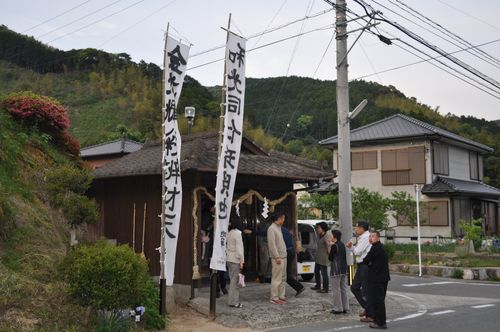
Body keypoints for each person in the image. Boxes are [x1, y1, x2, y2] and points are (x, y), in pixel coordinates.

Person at [362, 231, 390, 329]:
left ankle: (381, 323)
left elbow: (365, 260)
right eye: (370, 236)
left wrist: (369, 263)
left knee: (377, 300)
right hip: (383, 277)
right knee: (380, 300)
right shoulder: (380, 247)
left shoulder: (375, 248)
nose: (371, 238)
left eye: (373, 236)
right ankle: (378, 320)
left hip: (377, 278)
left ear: (378, 238)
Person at [346, 220, 373, 321]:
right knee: (364, 289)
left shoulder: (366, 237)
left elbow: (357, 251)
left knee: (355, 287)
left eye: (356, 227)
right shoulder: (363, 237)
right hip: (363, 265)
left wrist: (351, 247)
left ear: (362, 228)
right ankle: (368, 309)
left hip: (365, 266)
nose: (355, 229)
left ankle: (370, 310)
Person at [267, 211, 288, 304]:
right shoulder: (271, 228)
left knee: (283, 277)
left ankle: (281, 295)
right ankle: (274, 297)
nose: (284, 220)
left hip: (283, 256)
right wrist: (276, 256)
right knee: (277, 278)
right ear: (278, 218)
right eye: (283, 218)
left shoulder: (278, 227)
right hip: (278, 257)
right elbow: (272, 245)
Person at [328, 229, 349, 314]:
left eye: (331, 235)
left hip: (336, 270)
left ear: (334, 237)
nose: (330, 237)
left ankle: (338, 308)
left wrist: (330, 246)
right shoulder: (342, 244)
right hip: (344, 270)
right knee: (343, 288)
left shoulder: (334, 246)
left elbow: (330, 258)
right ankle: (345, 307)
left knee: (336, 289)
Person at [282, 226, 305, 297]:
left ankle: (299, 287)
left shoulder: (280, 230)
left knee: (284, 273)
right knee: (286, 273)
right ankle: (299, 287)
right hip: (291, 251)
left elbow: (265, 233)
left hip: (288, 252)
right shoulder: (286, 230)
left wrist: (253, 232)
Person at [226, 219, 245, 308]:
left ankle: (231, 300)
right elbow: (239, 248)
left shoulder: (229, 233)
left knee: (232, 280)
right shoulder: (238, 234)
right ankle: (234, 302)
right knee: (235, 282)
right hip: (235, 259)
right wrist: (241, 261)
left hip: (229, 258)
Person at [311, 222, 330, 293]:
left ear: (323, 228)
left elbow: (328, 247)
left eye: (318, 228)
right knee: (316, 272)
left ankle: (325, 288)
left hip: (323, 258)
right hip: (318, 257)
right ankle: (318, 285)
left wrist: (329, 256)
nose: (317, 229)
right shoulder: (319, 235)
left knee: (324, 273)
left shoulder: (326, 236)